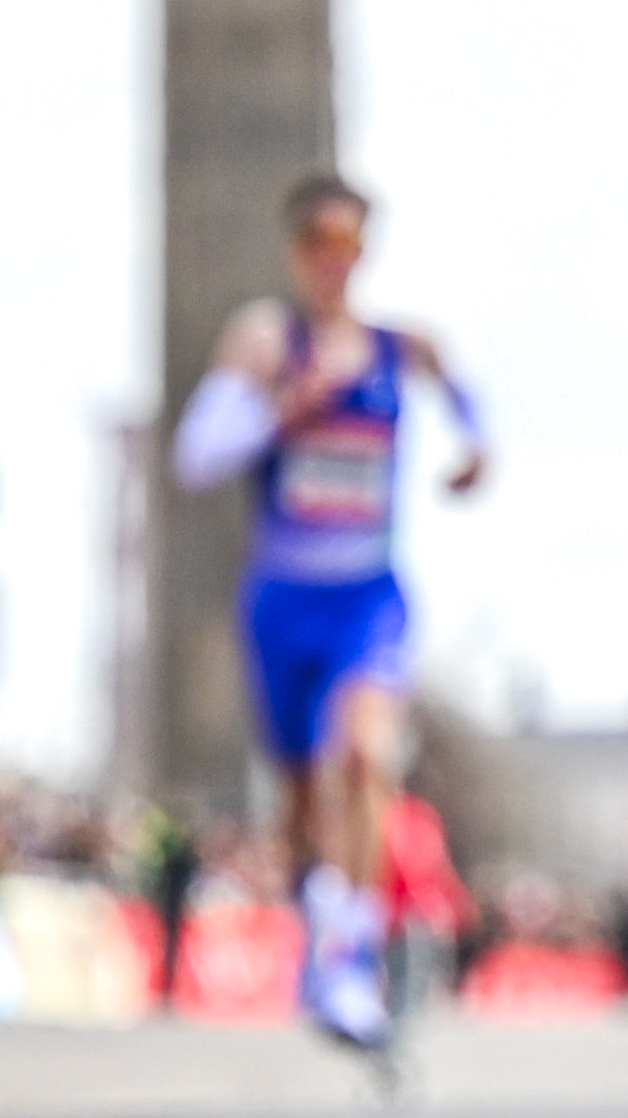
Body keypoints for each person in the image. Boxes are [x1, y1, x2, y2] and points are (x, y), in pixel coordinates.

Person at [167, 170, 491, 1051]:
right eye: (315, 243)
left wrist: (476, 447)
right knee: (305, 802)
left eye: (347, 244)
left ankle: (348, 963)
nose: (331, 262)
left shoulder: (399, 346)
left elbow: (464, 394)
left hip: (367, 597)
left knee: (365, 757)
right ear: (294, 251)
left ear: (364, 251)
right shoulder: (267, 343)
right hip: (282, 599)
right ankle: (324, 924)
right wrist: (278, 412)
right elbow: (196, 456)